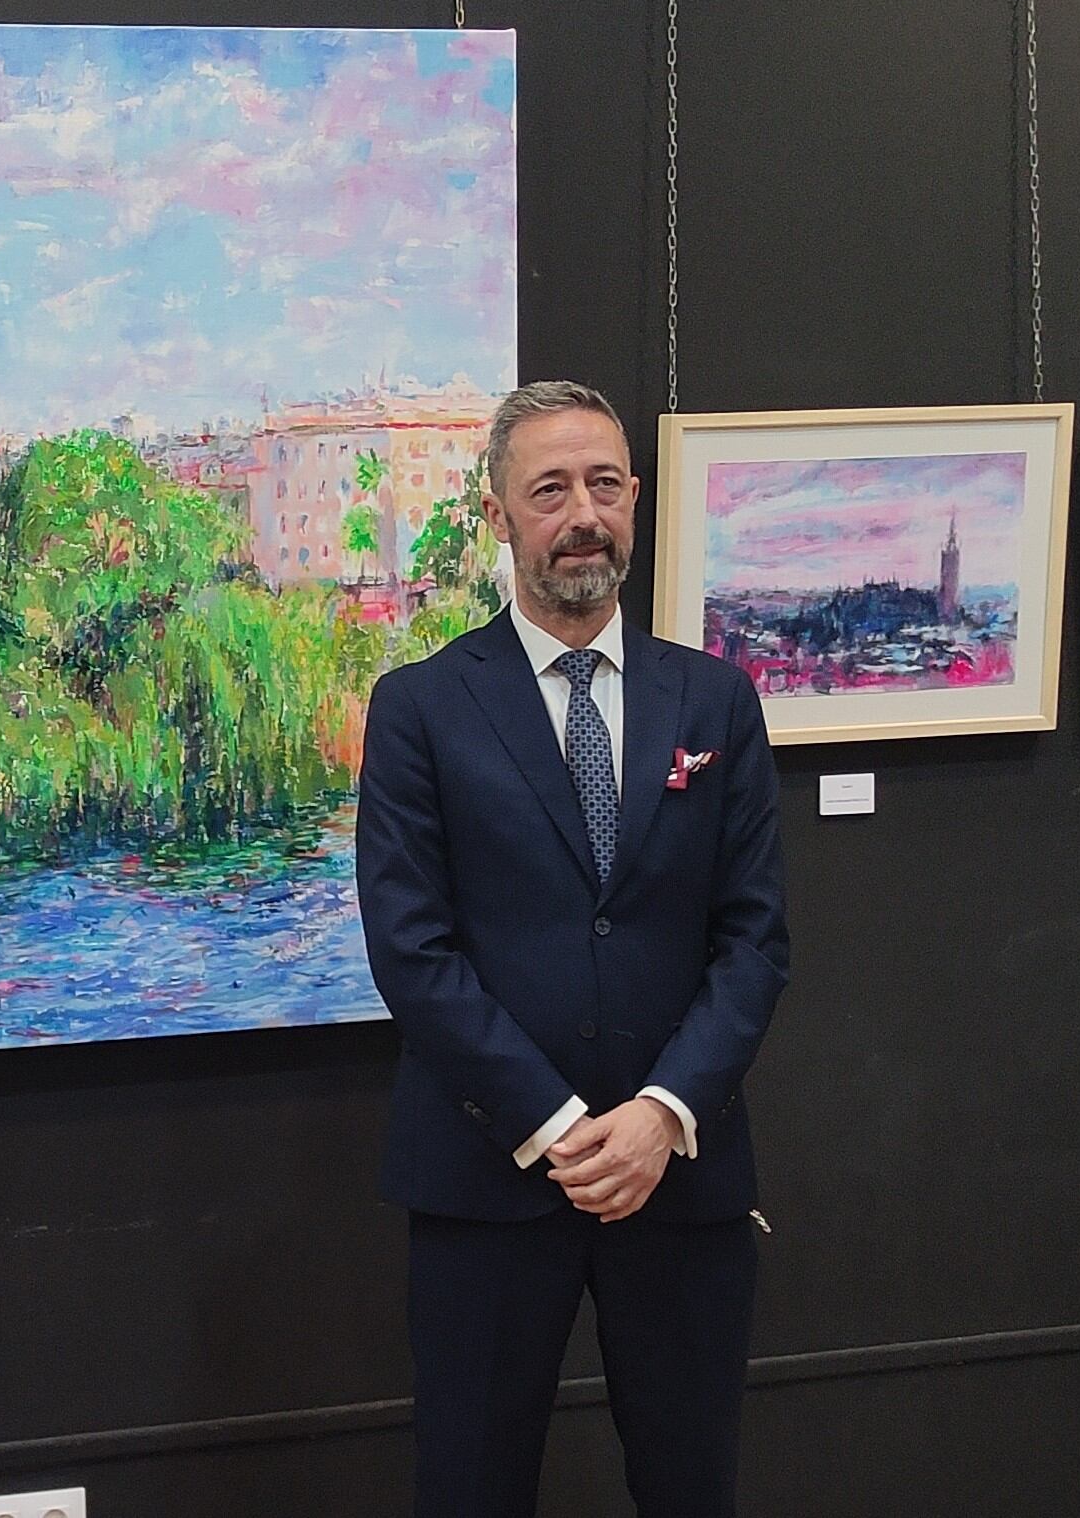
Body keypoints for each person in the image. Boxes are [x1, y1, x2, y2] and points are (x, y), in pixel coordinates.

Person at [355, 381, 790, 1517]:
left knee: (691, 1483)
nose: (581, 513)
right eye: (549, 490)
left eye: (603, 483)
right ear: (499, 517)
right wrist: (555, 1128)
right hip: (485, 1180)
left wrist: (659, 1115)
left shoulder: (718, 701)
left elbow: (752, 943)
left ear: (635, 499)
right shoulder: (419, 709)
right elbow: (412, 952)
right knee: (471, 1487)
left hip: (679, 1178)